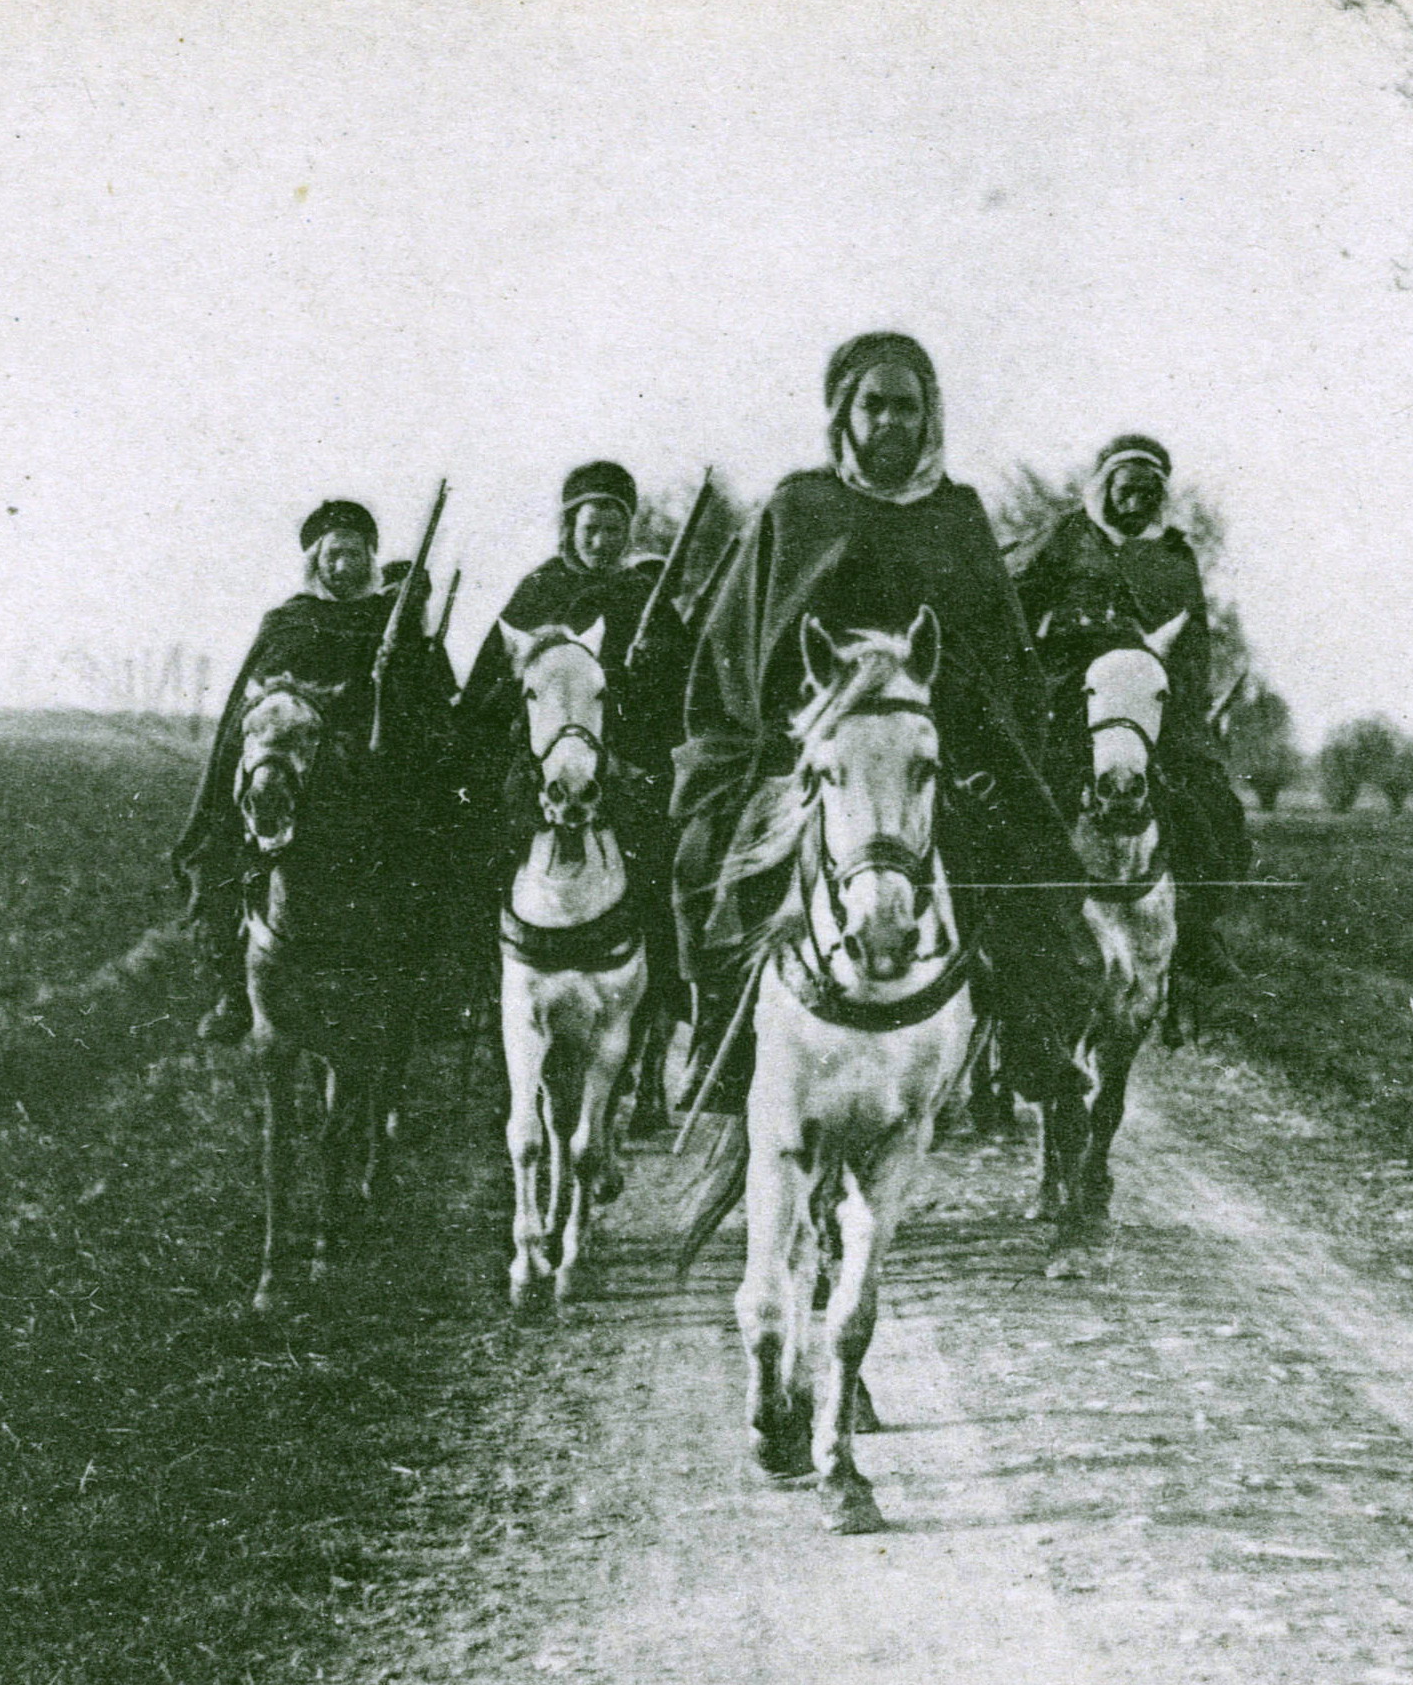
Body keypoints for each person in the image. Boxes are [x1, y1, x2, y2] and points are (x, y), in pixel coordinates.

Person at [669, 331, 1094, 1110]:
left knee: (1029, 859)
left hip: (937, 743)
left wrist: (971, 734)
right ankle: (718, 1045)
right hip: (807, 743)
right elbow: (737, 643)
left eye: (908, 407)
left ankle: (1037, 1044)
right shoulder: (797, 508)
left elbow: (1000, 654)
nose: (891, 422)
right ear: (845, 414)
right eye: (876, 406)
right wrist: (781, 733)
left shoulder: (958, 514)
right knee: (711, 854)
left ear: (929, 417)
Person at [170, 498, 464, 1042]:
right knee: (229, 853)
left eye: (355, 554)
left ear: (370, 560)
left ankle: (425, 991)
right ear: (316, 561)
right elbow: (259, 701)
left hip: (372, 775)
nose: (344, 566)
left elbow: (424, 705)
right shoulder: (287, 621)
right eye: (334, 556)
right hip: (294, 767)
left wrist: (392, 671)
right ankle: (237, 990)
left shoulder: (387, 621)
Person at [1006, 432, 1254, 984]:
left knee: (1211, 804)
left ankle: (1193, 930)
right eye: (1126, 489)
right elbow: (1012, 606)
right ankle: (1005, 926)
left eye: (1149, 492)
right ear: (1104, 487)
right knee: (1020, 797)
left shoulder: (1174, 555)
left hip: (1151, 701)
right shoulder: (1065, 537)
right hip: (1069, 695)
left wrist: (1184, 714)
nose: (1137, 502)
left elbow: (1193, 648)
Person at [452, 462, 692, 959]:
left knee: (665, 859)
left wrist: (652, 668)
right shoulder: (538, 591)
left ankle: (669, 993)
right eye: (591, 529)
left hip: (629, 760)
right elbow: (488, 690)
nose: (602, 542)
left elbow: (685, 692)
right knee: (488, 845)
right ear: (569, 529)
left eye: (614, 530)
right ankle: (481, 982)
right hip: (541, 764)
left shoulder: (646, 597)